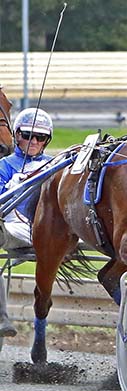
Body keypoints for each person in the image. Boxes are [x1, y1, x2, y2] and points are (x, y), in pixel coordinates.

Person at [0, 108, 53, 337]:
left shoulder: (56, 164)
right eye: (28, 135)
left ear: (46, 141)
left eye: (40, 137)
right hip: (13, 229)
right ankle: (2, 316)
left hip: (50, 233)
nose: (34, 141)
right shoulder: (5, 165)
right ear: (17, 135)